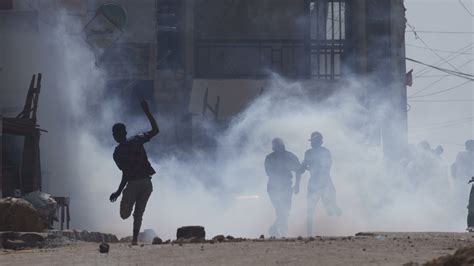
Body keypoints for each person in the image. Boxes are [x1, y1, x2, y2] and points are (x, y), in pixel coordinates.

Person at [110, 100, 159, 245]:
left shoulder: (120, 150)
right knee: (132, 214)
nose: (116, 135)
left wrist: (118, 192)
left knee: (132, 214)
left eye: (116, 133)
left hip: (138, 183)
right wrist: (147, 111)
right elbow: (156, 130)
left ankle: (135, 240)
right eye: (115, 133)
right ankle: (135, 239)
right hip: (142, 183)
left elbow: (125, 174)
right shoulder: (133, 142)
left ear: (121, 134)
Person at [295, 132, 341, 236]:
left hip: (325, 182)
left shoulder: (325, 152)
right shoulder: (308, 153)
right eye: (312, 141)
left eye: (315, 141)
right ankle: (309, 235)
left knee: (331, 209)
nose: (313, 143)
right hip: (314, 184)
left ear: (321, 142)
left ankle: (335, 209)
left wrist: (312, 169)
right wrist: (299, 176)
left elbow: (326, 167)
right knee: (310, 210)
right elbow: (303, 167)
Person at [264, 138, 301, 237]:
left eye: (278, 145)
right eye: (275, 145)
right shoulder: (270, 158)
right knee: (281, 210)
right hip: (273, 188)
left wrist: (297, 184)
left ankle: (278, 230)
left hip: (286, 187)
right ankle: (279, 231)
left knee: (285, 211)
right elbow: (269, 173)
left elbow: (298, 169)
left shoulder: (289, 156)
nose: (276, 147)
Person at [452, 140, 474, 229]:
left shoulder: (461, 155)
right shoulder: (462, 155)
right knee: (470, 205)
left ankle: (470, 225)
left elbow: (453, 168)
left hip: (462, 183)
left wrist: (455, 180)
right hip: (465, 183)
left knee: (469, 205)